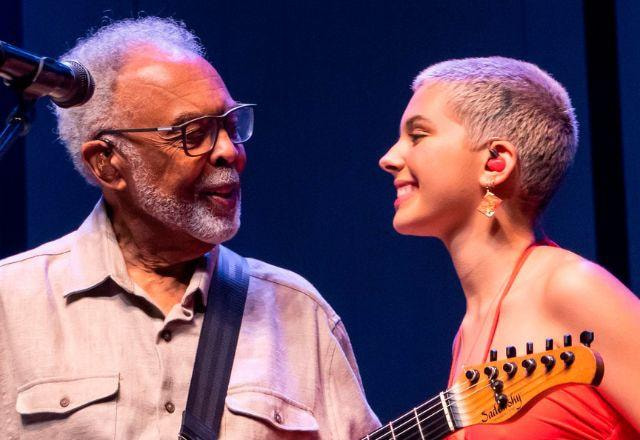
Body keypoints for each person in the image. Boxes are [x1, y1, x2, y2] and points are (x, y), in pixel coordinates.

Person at [0, 17, 379, 439]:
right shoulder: (10, 305)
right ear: (106, 163)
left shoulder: (299, 314)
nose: (227, 153)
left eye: (231, 128)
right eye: (192, 134)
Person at [379, 57, 640, 438]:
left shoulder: (569, 287)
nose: (389, 158)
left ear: (495, 163)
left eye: (417, 136)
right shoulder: (468, 332)